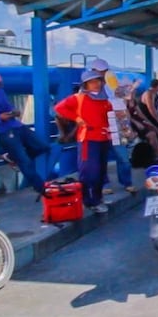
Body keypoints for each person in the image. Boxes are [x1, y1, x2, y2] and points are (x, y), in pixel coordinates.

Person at [55, 71, 113, 213]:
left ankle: (98, 198)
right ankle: (89, 201)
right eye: (93, 82)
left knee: (101, 171)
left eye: (98, 81)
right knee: (89, 171)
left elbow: (111, 116)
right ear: (86, 84)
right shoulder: (78, 98)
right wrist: (76, 118)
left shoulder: (105, 100)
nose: (97, 84)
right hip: (88, 139)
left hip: (104, 138)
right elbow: (59, 108)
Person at [90, 59, 136, 195]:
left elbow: (124, 106)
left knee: (122, 156)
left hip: (115, 124)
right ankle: (104, 184)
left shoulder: (113, 85)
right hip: (100, 125)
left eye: (103, 71)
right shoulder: (89, 89)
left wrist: (128, 127)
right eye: (100, 71)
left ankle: (126, 182)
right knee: (101, 157)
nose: (102, 74)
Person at [131, 78, 158, 160]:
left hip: (148, 119)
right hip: (145, 118)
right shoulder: (148, 93)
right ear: (156, 86)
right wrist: (157, 120)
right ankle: (155, 153)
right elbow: (151, 109)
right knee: (155, 132)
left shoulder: (156, 94)